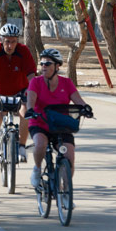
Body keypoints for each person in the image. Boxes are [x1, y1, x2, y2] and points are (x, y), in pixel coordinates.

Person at [26, 48, 90, 190]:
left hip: (60, 125)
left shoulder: (66, 83)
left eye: (48, 64)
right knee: (40, 143)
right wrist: (30, 110)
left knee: (69, 156)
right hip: (39, 122)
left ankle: (66, 191)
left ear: (57, 66)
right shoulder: (35, 82)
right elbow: (31, 99)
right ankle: (37, 170)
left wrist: (85, 108)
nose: (43, 66)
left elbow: (78, 100)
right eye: (42, 63)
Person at [0, 23, 35, 166]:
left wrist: (31, 90)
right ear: (1, 40)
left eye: (13, 41)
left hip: (19, 92)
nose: (10, 45)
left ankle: (22, 147)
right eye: (7, 41)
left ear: (18, 41)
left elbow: (31, 74)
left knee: (26, 112)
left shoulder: (24, 51)